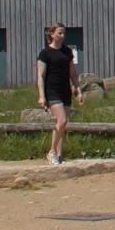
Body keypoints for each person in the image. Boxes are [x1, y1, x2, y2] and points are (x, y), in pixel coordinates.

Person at [36, 25, 77, 163]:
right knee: (62, 120)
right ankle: (52, 151)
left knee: (62, 124)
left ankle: (59, 155)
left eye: (64, 33)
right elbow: (41, 76)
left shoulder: (67, 52)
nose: (62, 36)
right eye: (60, 33)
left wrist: (77, 88)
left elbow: (72, 72)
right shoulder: (45, 53)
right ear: (52, 34)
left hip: (65, 90)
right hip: (52, 90)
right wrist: (41, 96)